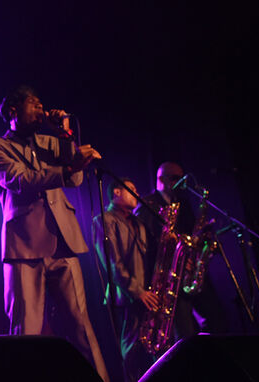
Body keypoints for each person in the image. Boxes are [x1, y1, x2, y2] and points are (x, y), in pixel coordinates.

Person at [0, 85, 109, 381]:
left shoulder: (51, 142)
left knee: (81, 326)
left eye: (42, 104)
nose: (40, 109)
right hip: (24, 246)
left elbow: (75, 179)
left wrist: (65, 134)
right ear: (13, 111)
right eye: (33, 104)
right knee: (26, 329)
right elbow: (19, 179)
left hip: (63, 241)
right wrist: (66, 170)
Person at [134, 162, 227, 339]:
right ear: (161, 179)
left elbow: (191, 233)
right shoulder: (148, 204)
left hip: (190, 272)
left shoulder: (182, 203)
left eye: (182, 178)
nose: (181, 183)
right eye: (176, 178)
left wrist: (198, 247)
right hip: (171, 276)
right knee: (186, 331)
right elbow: (147, 244)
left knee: (217, 319)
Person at [92, 178, 157, 381]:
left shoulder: (138, 222)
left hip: (147, 293)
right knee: (131, 349)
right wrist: (137, 291)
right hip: (126, 295)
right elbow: (113, 262)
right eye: (132, 189)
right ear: (117, 192)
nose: (137, 193)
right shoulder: (104, 220)